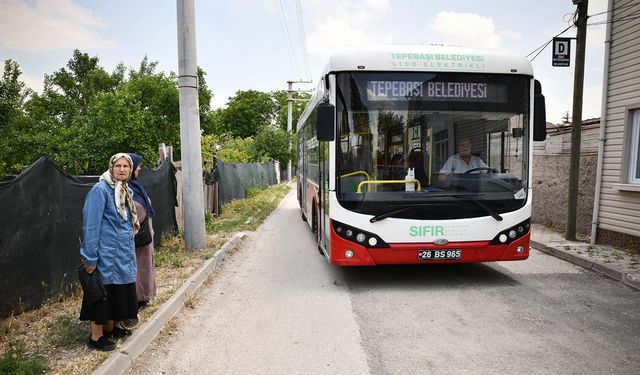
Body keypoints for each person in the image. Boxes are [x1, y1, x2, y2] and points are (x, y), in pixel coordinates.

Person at [79, 153, 139, 352]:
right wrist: (90, 258)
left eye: (126, 166)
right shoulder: (100, 190)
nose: (122, 169)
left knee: (116, 291)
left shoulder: (124, 189)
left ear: (130, 170)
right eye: (118, 166)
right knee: (101, 294)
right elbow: (91, 225)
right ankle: (96, 336)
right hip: (105, 254)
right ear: (111, 168)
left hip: (122, 253)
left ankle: (111, 328)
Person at [128, 153, 157, 308]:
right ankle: (138, 297)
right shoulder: (125, 189)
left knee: (146, 265)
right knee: (137, 266)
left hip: (145, 233)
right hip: (135, 236)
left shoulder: (136, 186)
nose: (139, 169)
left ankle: (145, 295)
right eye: (137, 166)